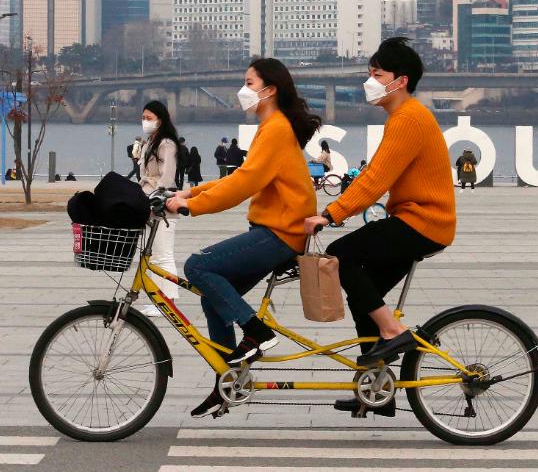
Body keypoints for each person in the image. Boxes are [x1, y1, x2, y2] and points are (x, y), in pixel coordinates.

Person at [304, 37, 455, 417]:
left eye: (376, 74)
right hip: (417, 220)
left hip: (422, 221)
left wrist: (331, 214)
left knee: (340, 255)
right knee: (363, 295)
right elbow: (375, 176)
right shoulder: (404, 117)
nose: (368, 82)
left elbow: (376, 180)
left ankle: (393, 333)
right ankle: (377, 388)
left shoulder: (408, 119)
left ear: (399, 81)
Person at [166, 57, 319, 419]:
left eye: (249, 83)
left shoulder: (276, 128)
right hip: (273, 230)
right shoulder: (272, 127)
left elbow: (245, 184)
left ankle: (257, 333)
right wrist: (191, 193)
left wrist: (192, 207)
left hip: (282, 233)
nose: (243, 90)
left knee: (198, 265)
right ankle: (228, 381)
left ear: (270, 89)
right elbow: (243, 176)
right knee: (211, 298)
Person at [137, 100, 182, 317]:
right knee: (154, 255)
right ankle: (158, 299)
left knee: (164, 254)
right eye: (143, 118)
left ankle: (168, 300)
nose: (145, 122)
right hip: (150, 202)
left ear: (160, 120)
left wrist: (156, 197)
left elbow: (166, 175)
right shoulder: (151, 142)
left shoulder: (166, 143)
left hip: (161, 204)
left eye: (149, 118)